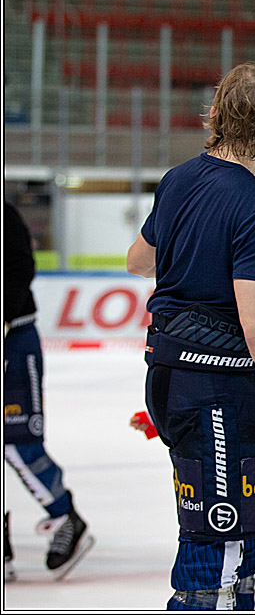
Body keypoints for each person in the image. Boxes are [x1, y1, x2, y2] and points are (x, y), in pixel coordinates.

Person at [126, 62, 255, 610]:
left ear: (214, 113)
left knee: (234, 548)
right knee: (219, 554)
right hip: (215, 388)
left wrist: (192, 248)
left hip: (166, 376)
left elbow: (138, 261)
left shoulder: (176, 180)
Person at [4, 200, 94, 581]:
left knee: (17, 439)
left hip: (13, 340)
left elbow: (20, 267)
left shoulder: (4, 215)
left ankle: (64, 516)